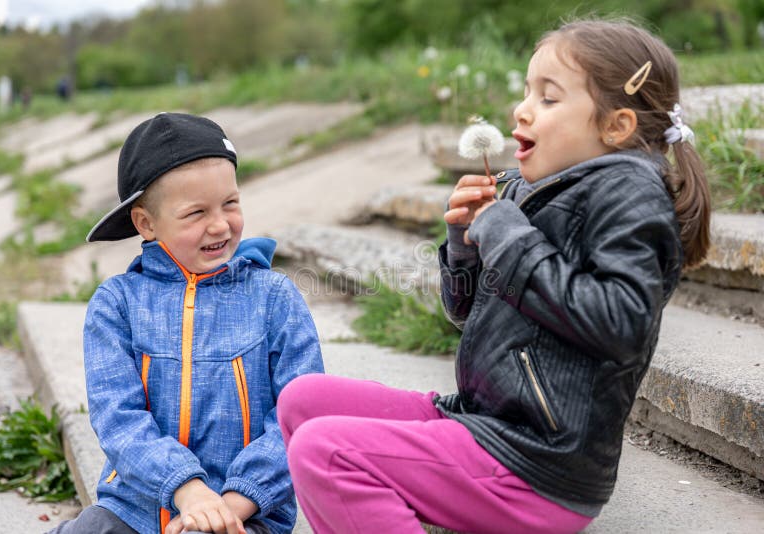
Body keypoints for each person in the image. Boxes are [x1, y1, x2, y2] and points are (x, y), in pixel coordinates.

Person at [276, 18, 710, 534]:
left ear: (615, 127)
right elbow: (467, 315)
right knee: (302, 400)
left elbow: (621, 325)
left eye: (549, 99)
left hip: (535, 464)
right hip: (483, 420)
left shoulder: (630, 195)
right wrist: (464, 243)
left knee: (324, 452)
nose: (522, 109)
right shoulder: (536, 189)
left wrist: (508, 236)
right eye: (527, 91)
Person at [49, 113, 323, 534]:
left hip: (247, 513)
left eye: (230, 203)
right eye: (196, 213)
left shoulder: (274, 298)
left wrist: (232, 503)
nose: (219, 224)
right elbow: (118, 418)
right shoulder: (117, 304)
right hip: (134, 509)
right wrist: (186, 490)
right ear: (146, 223)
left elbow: (301, 417)